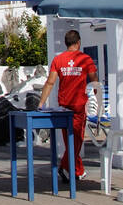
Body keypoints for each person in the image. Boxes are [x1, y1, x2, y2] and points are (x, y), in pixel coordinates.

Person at [36, 29, 99, 179]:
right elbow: (94, 82)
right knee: (76, 141)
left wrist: (41, 103)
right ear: (78, 43)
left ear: (66, 43)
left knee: (69, 140)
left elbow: (50, 82)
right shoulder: (86, 59)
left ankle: (77, 171)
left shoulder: (58, 60)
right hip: (78, 106)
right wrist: (95, 99)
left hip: (63, 107)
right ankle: (65, 167)